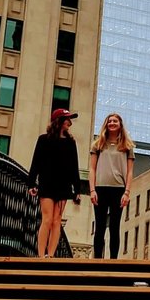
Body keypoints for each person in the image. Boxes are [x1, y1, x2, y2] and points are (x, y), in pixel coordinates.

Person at [27, 109, 81, 258]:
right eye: (67, 119)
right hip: (47, 183)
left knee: (57, 220)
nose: (70, 122)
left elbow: (74, 166)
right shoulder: (43, 139)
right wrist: (31, 183)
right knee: (47, 219)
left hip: (63, 185)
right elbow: (36, 162)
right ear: (59, 121)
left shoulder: (70, 143)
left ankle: (50, 255)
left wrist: (77, 189)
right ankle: (40, 255)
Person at [89, 113, 134, 259]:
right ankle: (97, 259)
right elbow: (92, 168)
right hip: (100, 189)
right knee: (100, 227)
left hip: (119, 190)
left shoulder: (127, 146)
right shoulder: (98, 145)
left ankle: (113, 260)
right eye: (110, 121)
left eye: (115, 121)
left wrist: (127, 192)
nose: (112, 123)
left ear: (120, 124)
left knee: (115, 227)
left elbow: (130, 171)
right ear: (106, 124)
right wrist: (92, 190)